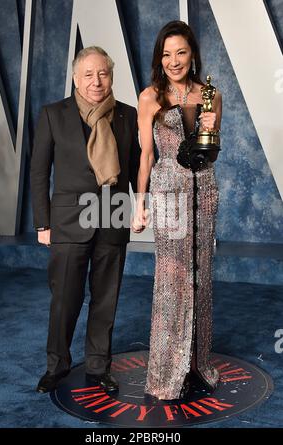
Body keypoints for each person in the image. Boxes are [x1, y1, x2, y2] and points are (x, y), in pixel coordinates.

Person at [30, 46, 141, 394]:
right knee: (65, 297)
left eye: (103, 73)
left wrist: (144, 203)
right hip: (67, 222)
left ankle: (98, 367)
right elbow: (38, 172)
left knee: (105, 298)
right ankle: (57, 366)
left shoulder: (127, 114)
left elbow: (138, 168)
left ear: (111, 77)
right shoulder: (53, 114)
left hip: (113, 215)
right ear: (77, 79)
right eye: (89, 74)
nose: (97, 81)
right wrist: (42, 224)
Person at [132, 21, 222, 400]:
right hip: (168, 191)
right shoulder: (149, 97)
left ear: (192, 54)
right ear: (159, 58)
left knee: (201, 277)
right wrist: (140, 204)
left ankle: (198, 365)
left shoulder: (211, 95)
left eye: (181, 52)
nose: (174, 61)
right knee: (172, 282)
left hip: (204, 190)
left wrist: (212, 128)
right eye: (166, 54)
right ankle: (169, 371)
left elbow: (212, 150)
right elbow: (146, 154)